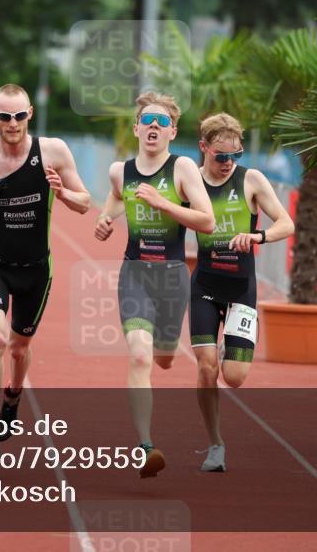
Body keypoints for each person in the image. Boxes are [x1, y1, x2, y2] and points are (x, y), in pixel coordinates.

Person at [0, 83, 90, 457]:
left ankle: (13, 396)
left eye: (19, 116)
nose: (12, 123)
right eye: (4, 116)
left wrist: (62, 193)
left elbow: (85, 202)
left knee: (19, 347)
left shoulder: (54, 151)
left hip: (36, 270)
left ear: (29, 114)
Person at [94, 91, 215, 478]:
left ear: (172, 131)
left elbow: (207, 221)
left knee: (163, 358)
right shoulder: (120, 171)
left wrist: (164, 205)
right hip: (135, 274)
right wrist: (105, 218)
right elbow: (117, 198)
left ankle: (164, 354)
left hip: (173, 276)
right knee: (140, 356)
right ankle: (146, 447)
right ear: (136, 128)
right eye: (147, 120)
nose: (153, 127)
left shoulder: (182, 170)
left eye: (162, 122)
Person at [190, 113, 293, 472]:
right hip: (204, 285)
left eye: (234, 155)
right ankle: (215, 444)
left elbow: (286, 223)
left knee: (233, 377)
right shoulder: (190, 180)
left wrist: (257, 236)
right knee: (206, 368)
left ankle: (228, 346)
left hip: (241, 290)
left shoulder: (250, 179)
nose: (227, 163)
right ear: (204, 148)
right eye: (220, 156)